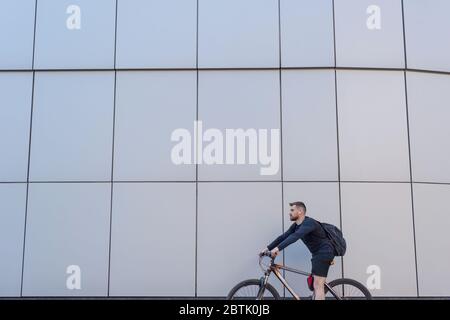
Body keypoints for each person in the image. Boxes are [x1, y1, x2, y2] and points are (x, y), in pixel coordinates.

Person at [260, 201, 335, 300]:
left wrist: (277, 249)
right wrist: (267, 248)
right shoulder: (296, 225)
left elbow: (295, 236)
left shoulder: (309, 223)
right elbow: (283, 237)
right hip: (317, 255)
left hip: (324, 253)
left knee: (318, 285)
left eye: (292, 210)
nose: (289, 212)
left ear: (300, 211)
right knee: (314, 285)